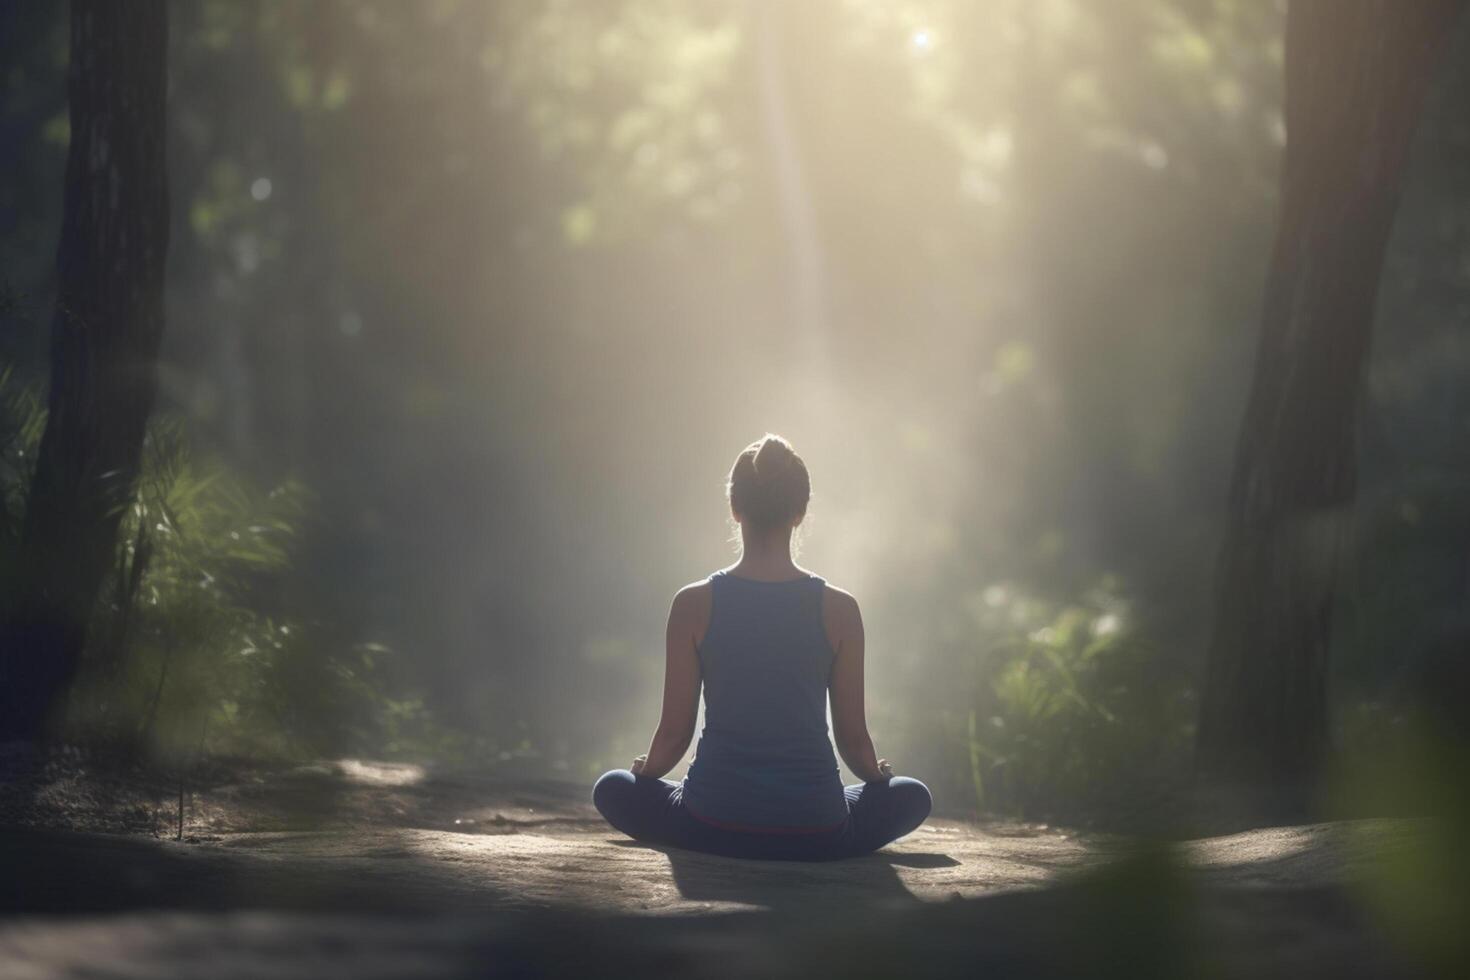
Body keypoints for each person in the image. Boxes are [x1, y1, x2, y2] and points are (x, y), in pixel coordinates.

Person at [592, 434, 931, 861]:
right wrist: (874, 776)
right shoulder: (840, 609)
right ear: (800, 513)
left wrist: (646, 773)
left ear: (735, 508)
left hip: (709, 823)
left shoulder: (693, 603)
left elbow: (675, 733)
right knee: (912, 795)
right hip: (816, 829)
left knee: (611, 787)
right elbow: (853, 739)